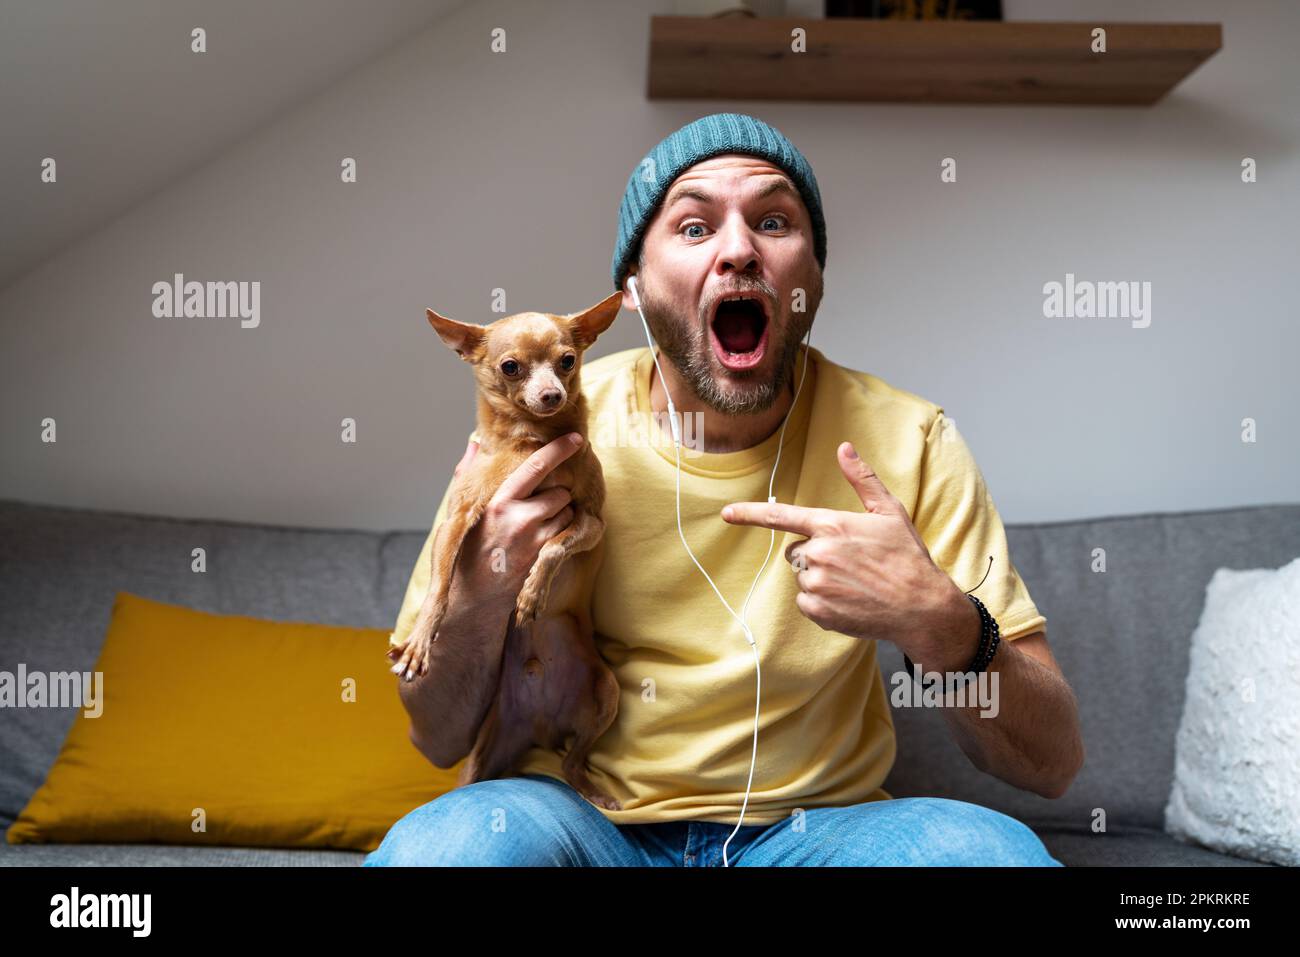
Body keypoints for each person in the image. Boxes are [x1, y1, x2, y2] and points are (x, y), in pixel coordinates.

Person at [366, 113, 1082, 867]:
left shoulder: (911, 439)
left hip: (817, 832)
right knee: (446, 849)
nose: (740, 249)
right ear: (632, 291)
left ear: (811, 277)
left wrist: (945, 625)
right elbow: (436, 736)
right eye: (694, 227)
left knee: (983, 853)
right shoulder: (538, 431)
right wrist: (484, 587)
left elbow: (1052, 763)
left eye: (773, 220)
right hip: (574, 821)